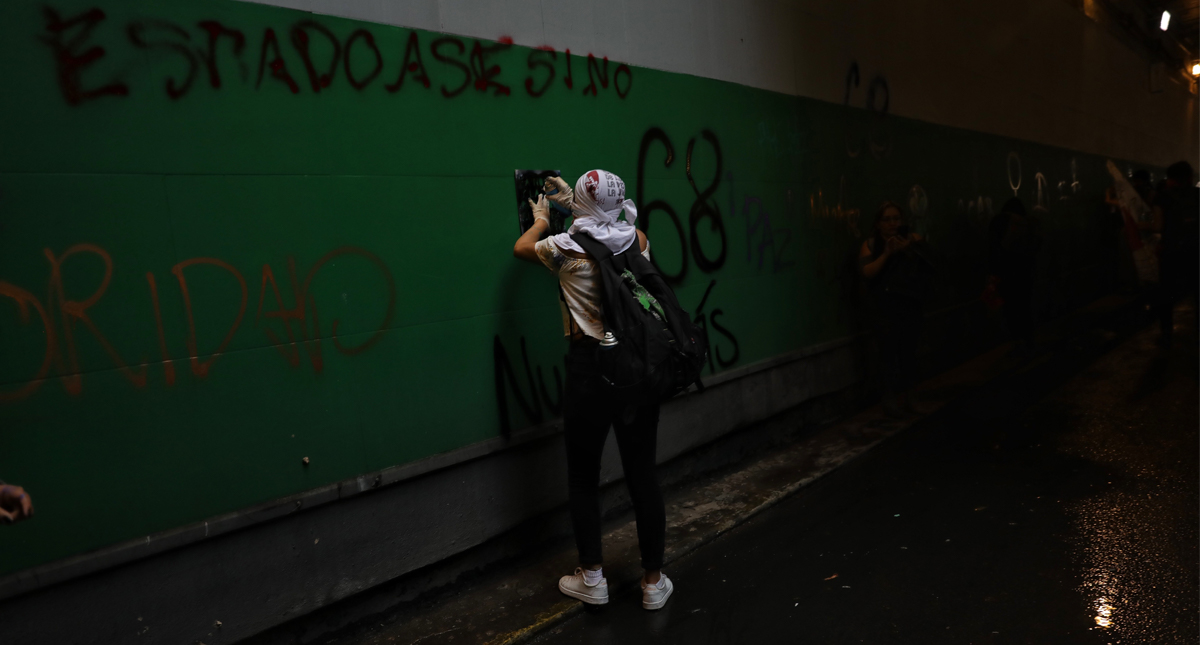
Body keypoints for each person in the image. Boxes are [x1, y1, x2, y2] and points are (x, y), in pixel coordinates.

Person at [512, 170, 672, 611]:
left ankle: (593, 577)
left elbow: (522, 248)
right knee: (643, 473)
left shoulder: (565, 246)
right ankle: (653, 582)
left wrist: (545, 216)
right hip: (637, 368)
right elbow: (608, 222)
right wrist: (576, 205)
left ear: (583, 203)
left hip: (589, 369)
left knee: (584, 474)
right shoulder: (636, 240)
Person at [859, 201, 934, 417]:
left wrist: (908, 248)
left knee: (909, 352)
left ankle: (912, 396)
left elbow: (930, 264)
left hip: (910, 302)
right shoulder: (872, 245)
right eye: (887, 219)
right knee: (887, 353)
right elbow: (866, 273)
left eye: (896, 219)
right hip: (884, 306)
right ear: (878, 223)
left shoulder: (914, 239)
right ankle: (890, 398)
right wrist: (887, 254)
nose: (892, 223)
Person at [1151, 161, 1199, 347]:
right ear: (1190, 177)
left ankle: (1166, 334)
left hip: (1172, 251)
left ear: (1170, 179)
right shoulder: (1198, 195)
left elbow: (1157, 226)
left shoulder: (1162, 196)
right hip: (1197, 249)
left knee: (1167, 293)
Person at [987, 197, 1041, 348]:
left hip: (1007, 273)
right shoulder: (1029, 224)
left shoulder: (1001, 222)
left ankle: (1015, 341)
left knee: (1010, 309)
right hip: (1026, 272)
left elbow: (995, 249)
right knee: (1025, 307)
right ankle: (1027, 340)